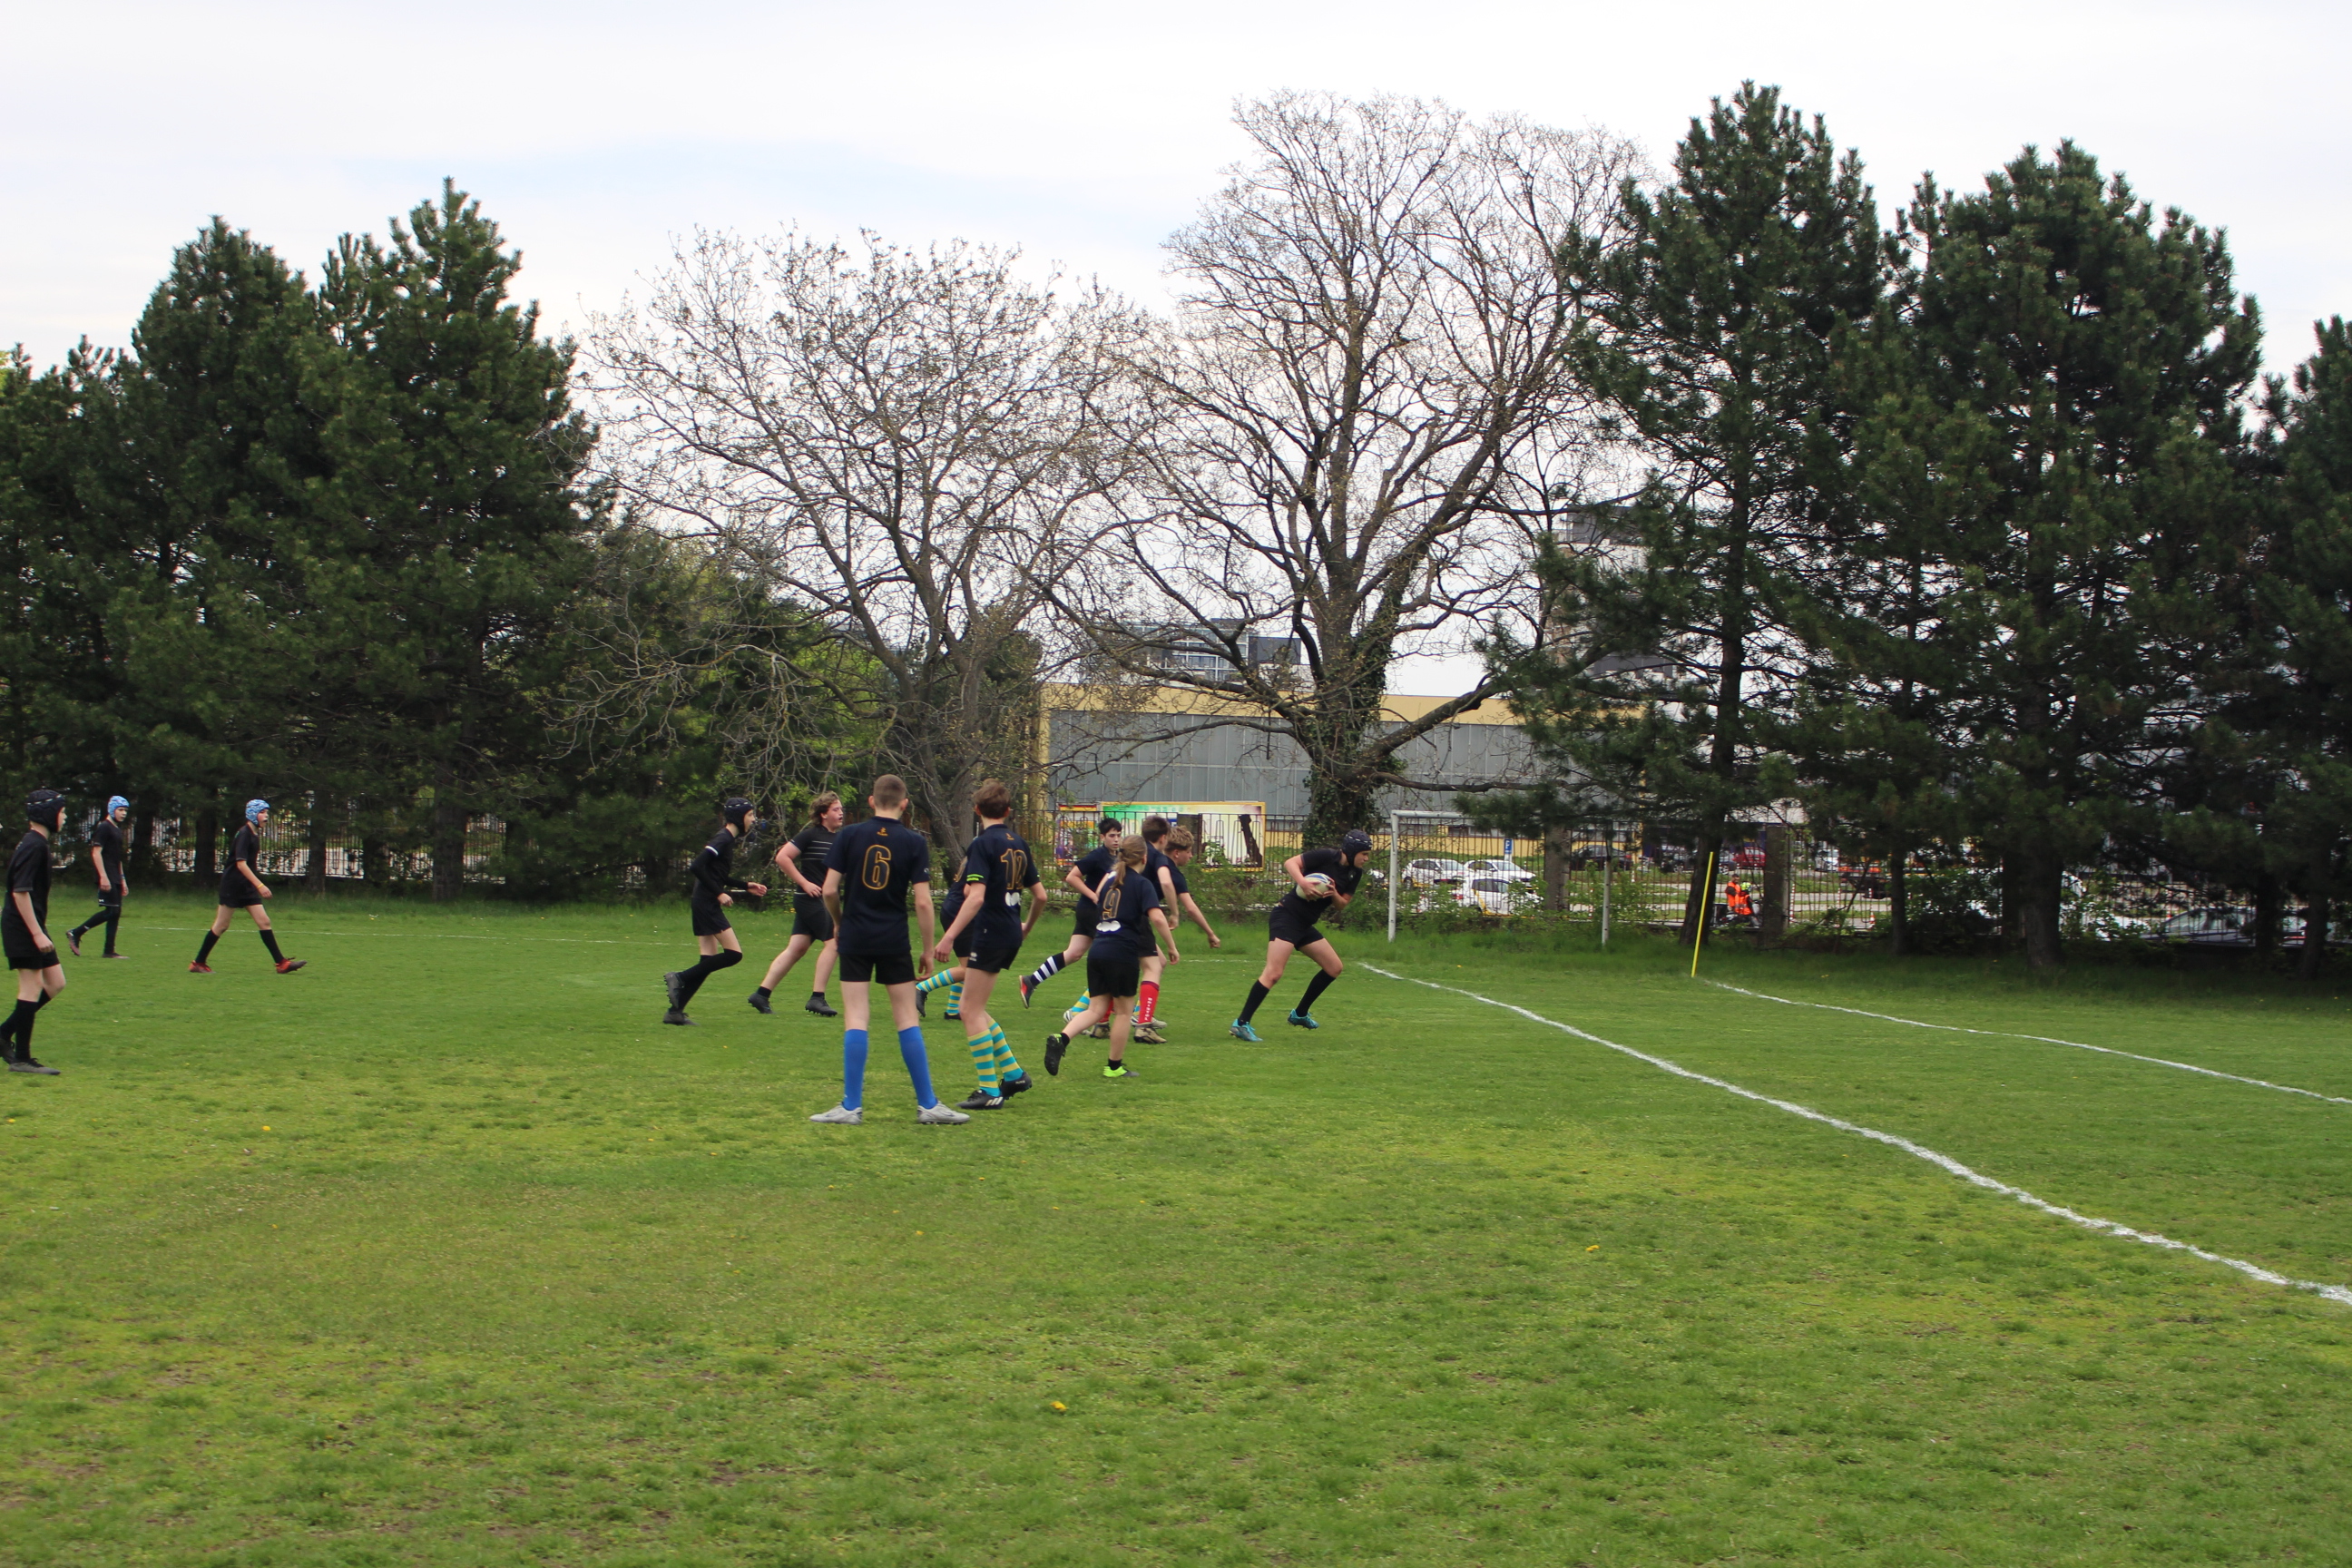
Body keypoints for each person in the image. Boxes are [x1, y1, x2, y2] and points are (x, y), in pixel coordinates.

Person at [808, 774, 967, 1125]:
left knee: (856, 1017)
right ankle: (927, 1104)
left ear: (871, 801)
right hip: (893, 938)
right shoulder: (913, 841)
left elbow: (829, 890)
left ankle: (851, 1106)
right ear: (905, 805)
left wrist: (839, 922)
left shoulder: (849, 835)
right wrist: (928, 949)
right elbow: (923, 903)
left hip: (855, 937)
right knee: (907, 1018)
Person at [916, 779, 1047, 1108]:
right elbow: (1041, 895)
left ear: (976, 810)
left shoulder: (982, 844)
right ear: (1008, 811)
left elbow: (974, 897)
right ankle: (1014, 1074)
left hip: (989, 932)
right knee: (974, 1007)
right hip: (1008, 932)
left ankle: (989, 1091)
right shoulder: (1019, 843)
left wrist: (948, 936)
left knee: (969, 1010)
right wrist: (1026, 927)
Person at [1041, 838, 1174, 1080]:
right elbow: (1156, 918)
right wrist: (1171, 946)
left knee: (1095, 1010)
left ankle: (1062, 1038)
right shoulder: (1142, 883)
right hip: (1122, 953)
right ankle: (1114, 1067)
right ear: (1144, 858)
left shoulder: (1108, 882)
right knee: (1123, 1012)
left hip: (1098, 949)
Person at [1229, 828, 1374, 1041]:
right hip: (1287, 917)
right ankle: (1241, 1024)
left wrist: (1334, 893)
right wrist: (1303, 882)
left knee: (1334, 967)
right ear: (1352, 851)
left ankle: (1300, 1014)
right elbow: (1290, 863)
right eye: (1364, 854)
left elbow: (1342, 904)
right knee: (1273, 973)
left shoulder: (1355, 873)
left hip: (1305, 924)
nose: (1367, 859)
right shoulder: (1327, 856)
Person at [664, 799, 769, 1025]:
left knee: (708, 960)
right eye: (750, 815)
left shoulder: (728, 840)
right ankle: (679, 977)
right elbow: (696, 866)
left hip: (703, 901)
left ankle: (675, 1013)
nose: (753, 820)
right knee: (734, 954)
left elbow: (716, 874)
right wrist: (719, 893)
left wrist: (745, 885)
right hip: (706, 903)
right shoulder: (723, 839)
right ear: (739, 817)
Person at [749, 792, 842, 1017]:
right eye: (836, 809)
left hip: (823, 900)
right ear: (823, 814)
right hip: (810, 899)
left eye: (841, 809)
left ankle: (761, 994)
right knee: (835, 943)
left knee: (797, 948)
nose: (841, 813)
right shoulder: (810, 835)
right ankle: (817, 998)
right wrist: (805, 883)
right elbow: (783, 857)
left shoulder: (839, 839)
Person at [1016, 817, 1124, 1009]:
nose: (1116, 839)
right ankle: (1094, 1008)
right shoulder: (1097, 856)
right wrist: (1094, 896)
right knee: (1112, 954)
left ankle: (1030, 981)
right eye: (1111, 836)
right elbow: (1072, 877)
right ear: (1102, 837)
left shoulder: (1117, 857)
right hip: (1092, 912)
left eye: (1118, 835)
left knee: (1073, 954)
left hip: (1092, 912)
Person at [191, 800, 304, 975]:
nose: (266, 816)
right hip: (233, 885)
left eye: (267, 813)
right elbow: (241, 864)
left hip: (246, 886)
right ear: (252, 814)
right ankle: (198, 963)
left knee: (264, 921)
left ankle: (281, 964)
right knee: (221, 925)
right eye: (262, 812)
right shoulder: (244, 834)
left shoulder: (254, 834)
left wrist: (253, 885)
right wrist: (260, 885)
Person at [3, 790, 70, 1073]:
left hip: (32, 926)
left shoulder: (37, 843)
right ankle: (22, 1059)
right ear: (48, 813)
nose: (65, 817)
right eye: (62, 811)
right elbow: (20, 892)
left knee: (55, 983)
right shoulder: (34, 845)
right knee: (31, 987)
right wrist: (36, 933)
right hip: (23, 927)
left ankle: (3, 1034)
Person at [65, 795, 131, 959]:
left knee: (115, 912)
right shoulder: (104, 827)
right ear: (112, 810)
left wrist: (122, 879)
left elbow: (118, 858)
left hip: (115, 876)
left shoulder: (117, 830)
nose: (124, 813)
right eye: (120, 810)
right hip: (106, 875)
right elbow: (96, 853)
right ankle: (76, 932)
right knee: (111, 911)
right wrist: (103, 876)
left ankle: (109, 951)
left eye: (125, 810)